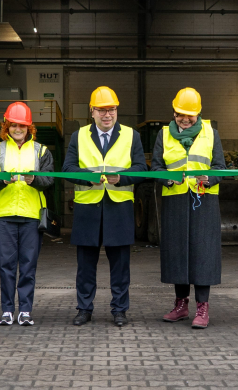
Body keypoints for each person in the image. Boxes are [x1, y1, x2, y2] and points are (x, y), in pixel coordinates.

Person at [62, 86, 147, 327]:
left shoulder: (132, 136)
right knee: (85, 266)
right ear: (92, 111)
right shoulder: (78, 136)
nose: (107, 114)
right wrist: (88, 176)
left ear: (117, 110)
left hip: (118, 209)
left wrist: (122, 178)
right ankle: (84, 309)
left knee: (120, 266)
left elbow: (141, 168)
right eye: (101, 110)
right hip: (88, 209)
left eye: (111, 110)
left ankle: (120, 310)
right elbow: (67, 168)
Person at [151, 88, 225, 329]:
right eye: (181, 114)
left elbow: (220, 167)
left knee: (203, 253)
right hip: (175, 199)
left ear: (198, 114)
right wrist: (168, 180)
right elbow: (156, 167)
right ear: (173, 112)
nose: (185, 119)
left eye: (190, 115)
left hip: (204, 200)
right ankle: (181, 306)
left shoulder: (211, 133)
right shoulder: (163, 135)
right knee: (178, 252)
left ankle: (202, 308)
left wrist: (210, 178)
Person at [0, 102, 54, 327]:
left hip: (31, 215)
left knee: (28, 265)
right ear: (6, 126)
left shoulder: (42, 151)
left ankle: (24, 310)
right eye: (13, 125)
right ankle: (7, 310)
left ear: (29, 127)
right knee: (6, 265)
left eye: (22, 125)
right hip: (3, 214)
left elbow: (50, 180)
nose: (17, 129)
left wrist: (35, 180)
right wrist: (3, 179)